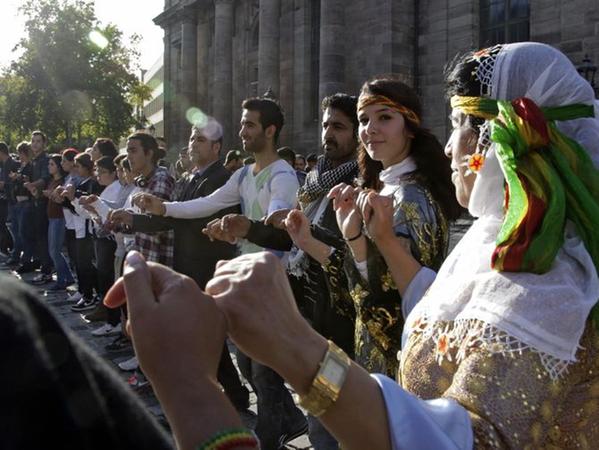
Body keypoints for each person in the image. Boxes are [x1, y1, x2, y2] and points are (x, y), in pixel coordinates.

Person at [130, 97, 304, 449]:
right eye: (241, 123)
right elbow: (205, 205)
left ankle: (273, 433)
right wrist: (164, 206)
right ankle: (292, 418)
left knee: (260, 365)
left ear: (270, 131)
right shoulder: (242, 175)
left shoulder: (283, 175)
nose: (242, 131)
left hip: (273, 282)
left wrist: (244, 228)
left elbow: (278, 228)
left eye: (250, 125)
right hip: (249, 277)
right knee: (246, 358)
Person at [203, 92, 360, 450]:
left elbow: (343, 254)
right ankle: (286, 422)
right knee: (319, 415)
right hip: (312, 317)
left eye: (339, 126)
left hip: (343, 325)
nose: (328, 135)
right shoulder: (318, 177)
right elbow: (292, 239)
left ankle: (283, 425)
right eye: (325, 126)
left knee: (330, 422)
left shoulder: (361, 184)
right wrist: (251, 229)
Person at [289, 78, 461, 377]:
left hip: (396, 361)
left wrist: (355, 240)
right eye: (364, 120)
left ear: (409, 126)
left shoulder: (411, 198)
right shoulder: (382, 186)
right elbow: (360, 281)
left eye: (385, 118)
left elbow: (392, 306)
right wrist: (312, 241)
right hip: (369, 350)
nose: (370, 129)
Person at [109, 122, 249, 411]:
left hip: (208, 265)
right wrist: (134, 218)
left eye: (200, 139)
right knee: (202, 336)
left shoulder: (222, 178)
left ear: (216, 147)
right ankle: (225, 393)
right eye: (191, 138)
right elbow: (168, 217)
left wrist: (144, 215)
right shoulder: (187, 178)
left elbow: (195, 214)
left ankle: (233, 394)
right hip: (184, 263)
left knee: (210, 335)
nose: (192, 144)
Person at [24, 131, 53, 284]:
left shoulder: (45, 159)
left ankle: (47, 271)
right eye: (33, 141)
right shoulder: (34, 160)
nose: (35, 144)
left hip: (43, 203)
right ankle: (45, 267)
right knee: (37, 237)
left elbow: (45, 178)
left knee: (43, 238)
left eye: (38, 141)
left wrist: (32, 185)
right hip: (35, 201)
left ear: (44, 144)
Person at [43, 154, 75, 291]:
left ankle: (63, 279)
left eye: (52, 164)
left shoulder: (63, 181)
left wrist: (53, 195)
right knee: (53, 250)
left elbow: (62, 199)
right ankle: (67, 277)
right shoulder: (51, 180)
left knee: (54, 250)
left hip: (59, 217)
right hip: (52, 217)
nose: (49, 167)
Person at [0, 142, 22, 265]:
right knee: (10, 227)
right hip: (9, 199)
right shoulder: (4, 165)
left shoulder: (12, 164)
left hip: (14, 201)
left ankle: (15, 253)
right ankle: (13, 251)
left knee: (15, 229)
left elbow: (17, 181)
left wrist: (4, 184)